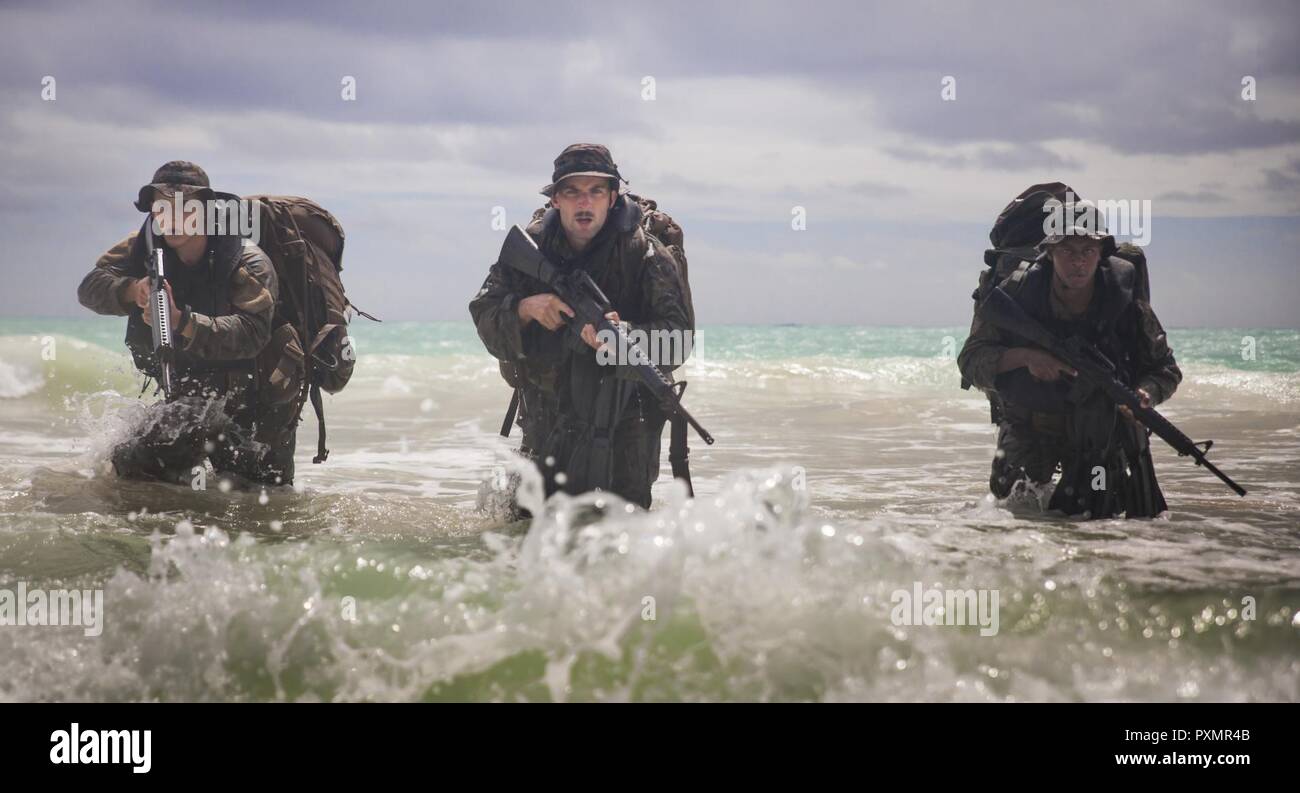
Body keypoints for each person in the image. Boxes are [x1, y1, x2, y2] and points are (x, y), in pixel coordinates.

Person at [469, 144, 693, 508]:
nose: (584, 203)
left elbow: (679, 342)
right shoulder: (532, 250)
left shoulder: (646, 255)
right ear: (556, 199)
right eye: (572, 192)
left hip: (627, 429)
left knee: (619, 542)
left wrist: (627, 337)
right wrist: (526, 308)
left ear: (612, 196)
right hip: (547, 420)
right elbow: (484, 312)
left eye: (595, 191)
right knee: (527, 538)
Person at [77, 161, 299, 486]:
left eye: (186, 208)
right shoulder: (141, 247)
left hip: (259, 399)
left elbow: (253, 335)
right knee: (134, 465)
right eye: (162, 207)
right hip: (193, 396)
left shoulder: (246, 261)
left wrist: (182, 322)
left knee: (263, 502)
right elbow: (89, 287)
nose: (173, 218)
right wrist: (132, 291)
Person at [957, 217, 1182, 518]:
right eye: (1068, 251)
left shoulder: (1126, 303)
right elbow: (971, 360)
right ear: (1049, 253)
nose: (1078, 262)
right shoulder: (1017, 294)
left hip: (1099, 433)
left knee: (1099, 520)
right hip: (1032, 424)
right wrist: (1026, 357)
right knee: (1014, 509)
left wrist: (1146, 393)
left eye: (1087, 251)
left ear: (1101, 254)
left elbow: (1165, 369)